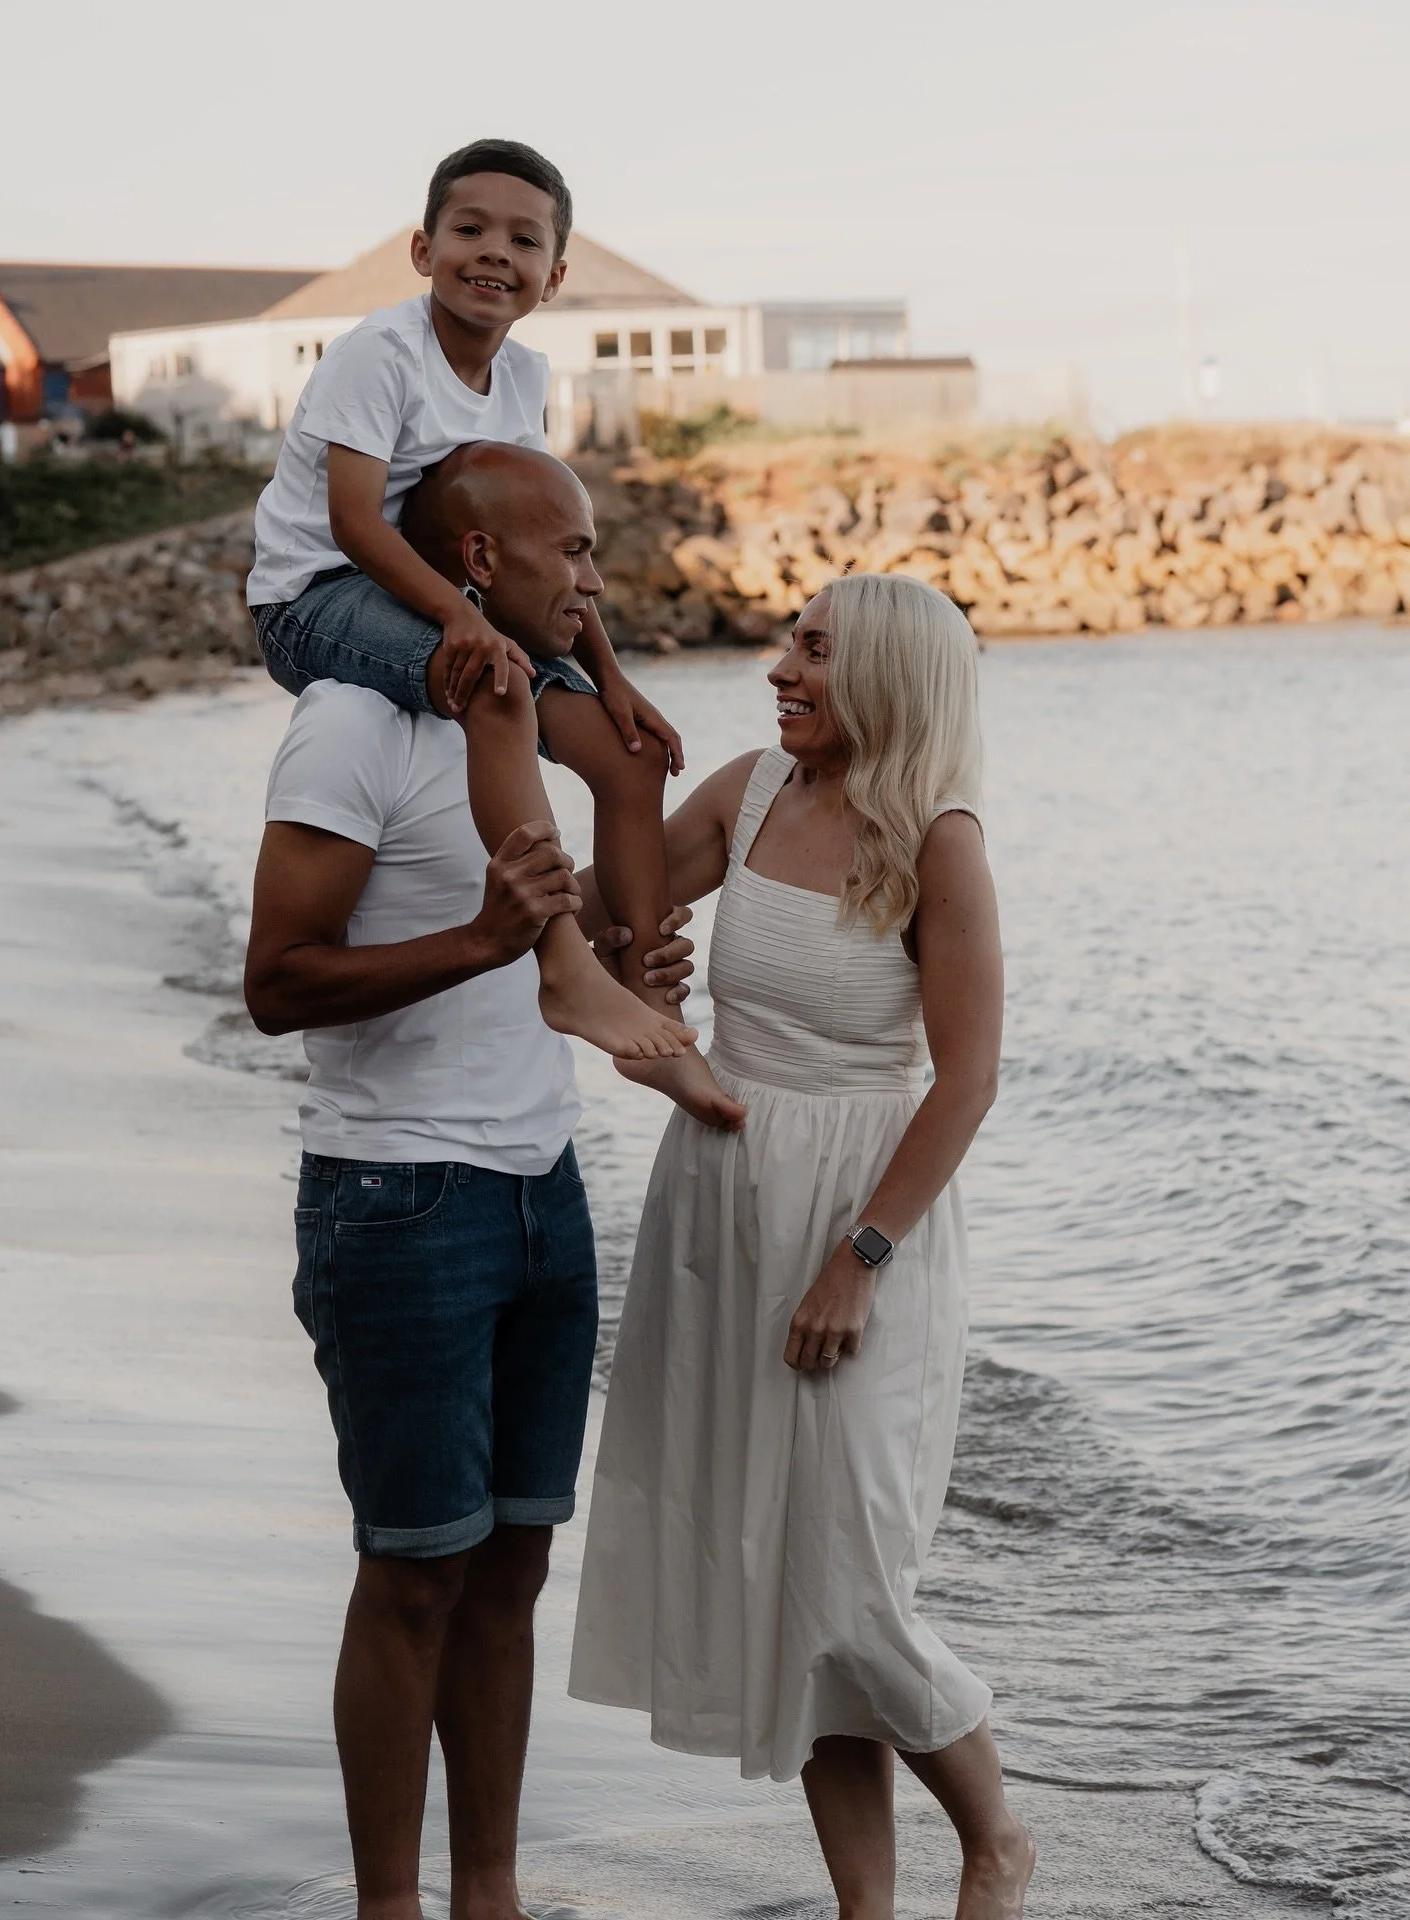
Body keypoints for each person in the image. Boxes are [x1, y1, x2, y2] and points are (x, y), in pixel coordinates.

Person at [241, 452, 696, 1920]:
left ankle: (488, 1894)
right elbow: (276, 982)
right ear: (480, 563)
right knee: (415, 1575)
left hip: (541, 1187)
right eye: (571, 552)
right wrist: (486, 942)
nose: (592, 581)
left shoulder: (525, 728)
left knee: (510, 1572)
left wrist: (633, 967)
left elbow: (559, 948)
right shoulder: (349, 724)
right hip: (397, 1202)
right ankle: (390, 1904)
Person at [569, 574, 1036, 1920]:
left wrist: (861, 1258)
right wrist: (621, 928)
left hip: (865, 1220)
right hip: (721, 1198)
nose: (780, 665)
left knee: (848, 1582)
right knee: (795, 1591)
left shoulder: (941, 842)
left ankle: (996, 1835)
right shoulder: (750, 789)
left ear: (883, 676)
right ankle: (864, 1911)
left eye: (812, 650)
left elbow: (968, 1080)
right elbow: (612, 904)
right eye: (787, 640)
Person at [248, 136, 690, 1067]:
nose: (496, 251)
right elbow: (357, 524)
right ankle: (566, 968)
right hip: (316, 596)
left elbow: (546, 542)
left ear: (554, 275)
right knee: (498, 685)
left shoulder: (524, 377)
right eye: (471, 229)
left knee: (630, 754)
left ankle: (643, 975)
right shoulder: (378, 355)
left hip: (445, 594)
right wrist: (464, 620)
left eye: (524, 240)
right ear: (423, 250)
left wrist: (610, 675)